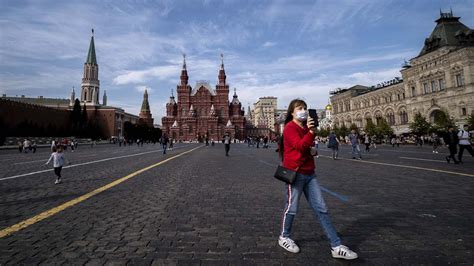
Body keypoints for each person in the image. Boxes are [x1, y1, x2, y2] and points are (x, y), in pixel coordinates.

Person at [277, 99, 357, 260]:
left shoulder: (305, 127)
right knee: (291, 208)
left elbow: (305, 147)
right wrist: (312, 133)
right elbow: (299, 146)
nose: (304, 111)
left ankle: (336, 245)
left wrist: (312, 148)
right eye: (300, 108)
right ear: (292, 112)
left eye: (305, 108)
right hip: (295, 174)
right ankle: (284, 237)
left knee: (322, 208)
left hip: (309, 173)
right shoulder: (290, 128)